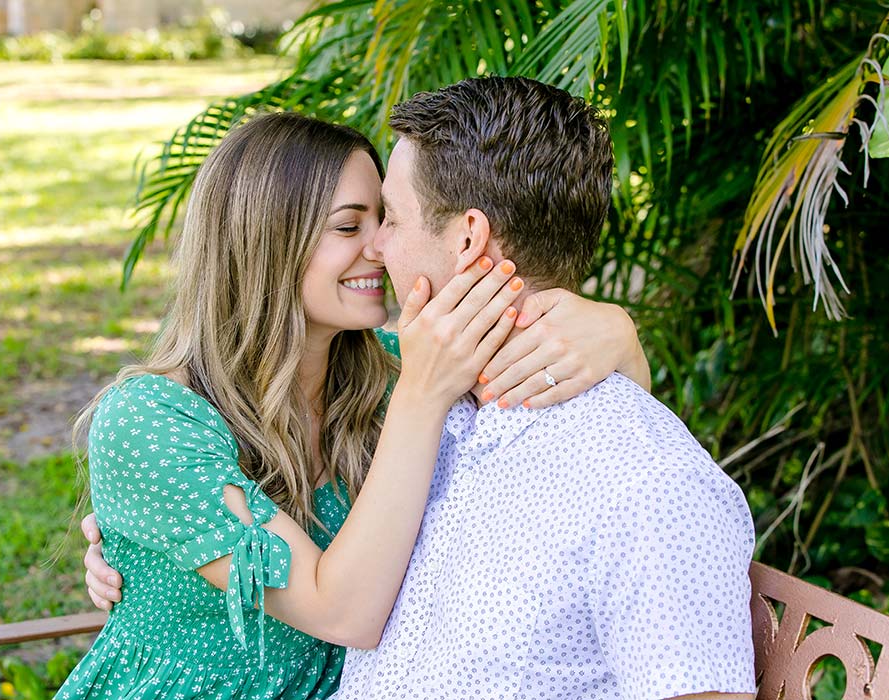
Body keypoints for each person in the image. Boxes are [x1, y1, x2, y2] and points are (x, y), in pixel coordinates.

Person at [89, 77, 757, 699]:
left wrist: (617, 333)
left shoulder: (391, 376)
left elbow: (616, 463)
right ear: (265, 243)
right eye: (351, 226)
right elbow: (341, 607)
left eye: (386, 217)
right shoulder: (408, 389)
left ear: (468, 236)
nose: (377, 247)